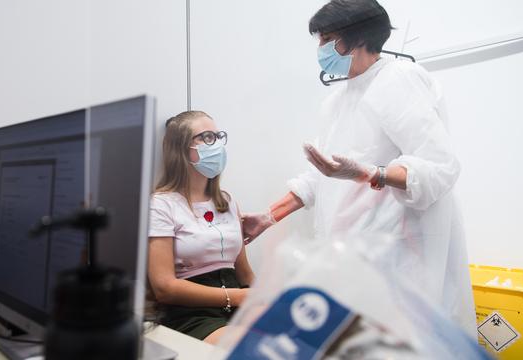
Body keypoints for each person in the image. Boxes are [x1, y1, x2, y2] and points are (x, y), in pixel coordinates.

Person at [241, 0, 476, 336]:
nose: (320, 49)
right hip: (354, 257)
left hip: (399, 256)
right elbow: (322, 176)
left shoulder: (399, 80)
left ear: (358, 38)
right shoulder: (338, 100)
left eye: (327, 40)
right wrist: (269, 216)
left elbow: (440, 166)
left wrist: (374, 173)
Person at [147, 110, 254, 344]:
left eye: (218, 136)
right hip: (189, 312)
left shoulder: (227, 201)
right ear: (181, 148)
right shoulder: (161, 205)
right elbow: (164, 287)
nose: (216, 144)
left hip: (237, 305)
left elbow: (244, 273)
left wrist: (267, 302)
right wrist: (236, 297)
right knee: (252, 348)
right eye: (207, 138)